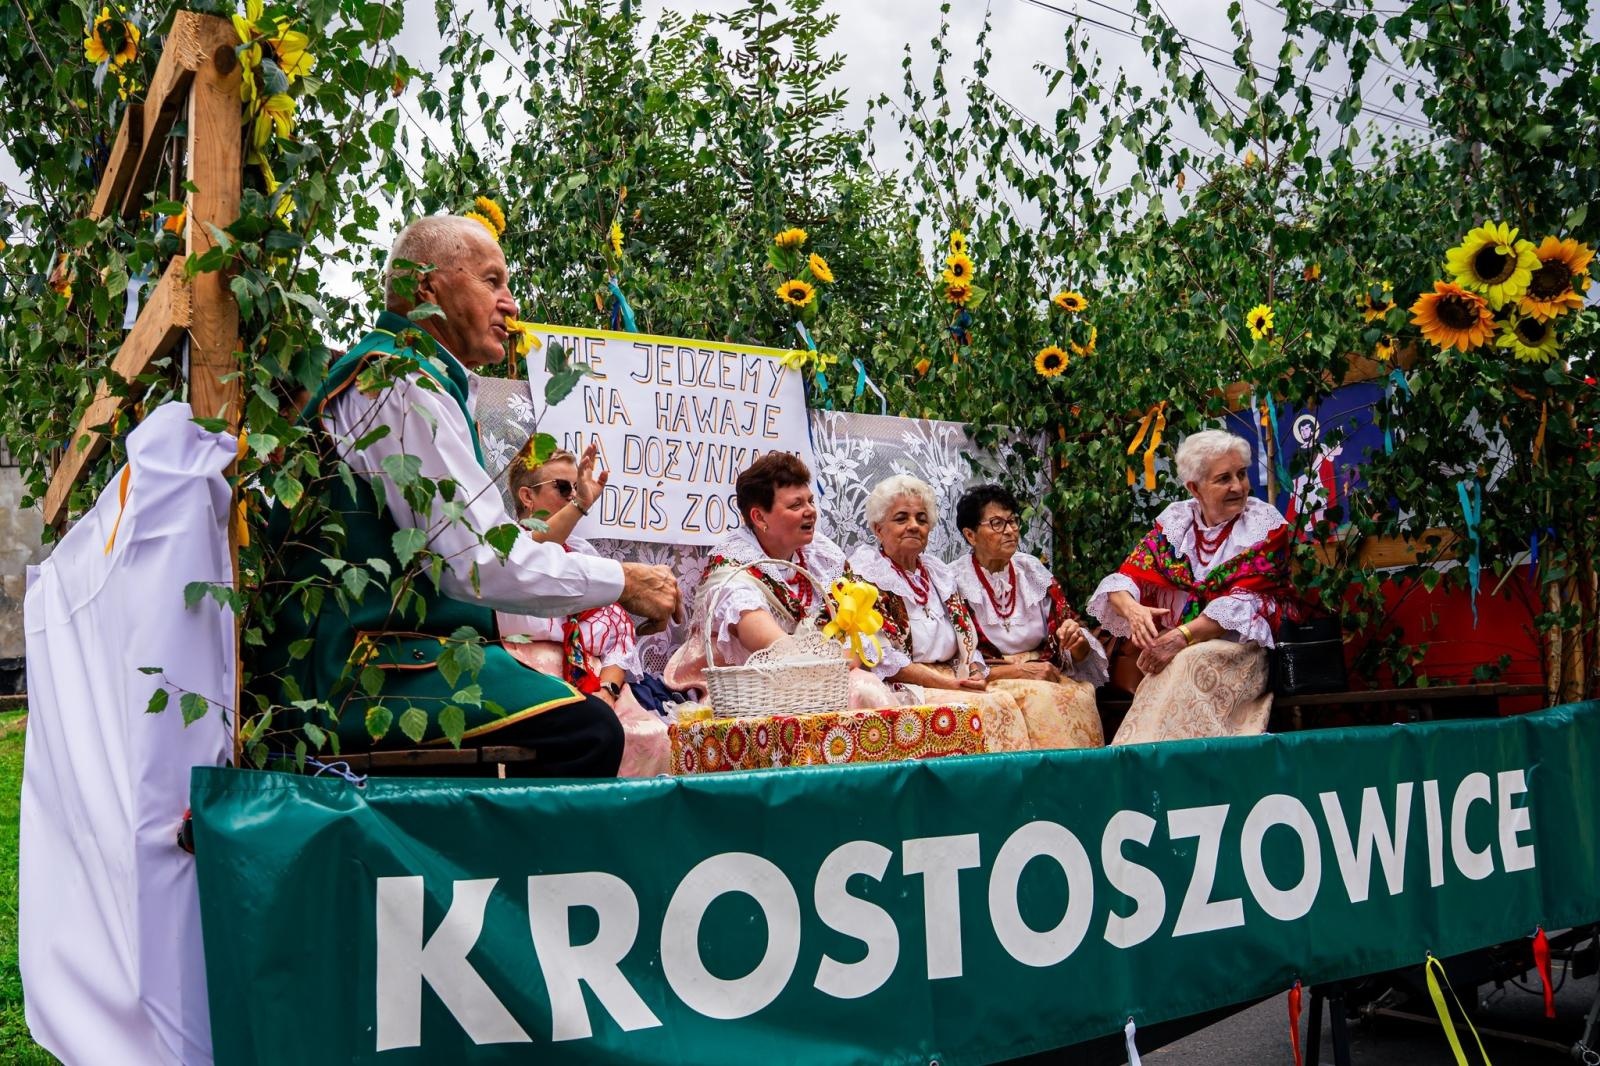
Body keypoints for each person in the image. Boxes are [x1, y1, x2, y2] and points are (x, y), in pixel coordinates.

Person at [259, 214, 679, 775]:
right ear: (425, 287)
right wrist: (621, 582)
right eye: (491, 281)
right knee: (588, 732)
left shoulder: (414, 379)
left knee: (585, 717)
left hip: (384, 656)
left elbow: (472, 559)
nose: (510, 304)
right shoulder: (397, 383)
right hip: (351, 672)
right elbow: (477, 561)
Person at [1087, 429, 1298, 745]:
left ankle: (1172, 763)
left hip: (1241, 650)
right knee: (1176, 659)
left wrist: (1179, 637)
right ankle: (1143, 759)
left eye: (1241, 474)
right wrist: (1133, 610)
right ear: (1194, 488)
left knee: (1185, 659)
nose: (1238, 486)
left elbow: (1244, 602)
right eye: (1223, 478)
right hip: (1180, 647)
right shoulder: (1177, 521)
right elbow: (1127, 576)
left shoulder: (1264, 525)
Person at [664, 453, 896, 708]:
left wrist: (849, 655)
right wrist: (843, 661)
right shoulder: (733, 573)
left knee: (865, 686)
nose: (810, 512)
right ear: (760, 518)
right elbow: (780, 651)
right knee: (863, 689)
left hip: (824, 679)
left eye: (810, 501)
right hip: (756, 692)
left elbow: (860, 623)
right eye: (796, 506)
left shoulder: (820, 554)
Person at [495, 439, 668, 776]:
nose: (574, 496)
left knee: (654, 735)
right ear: (526, 496)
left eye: (577, 489)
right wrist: (581, 505)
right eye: (564, 488)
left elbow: (618, 640)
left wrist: (607, 690)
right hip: (530, 681)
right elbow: (533, 560)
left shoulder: (584, 555)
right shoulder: (506, 548)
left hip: (597, 683)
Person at [844, 474, 1031, 752]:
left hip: (952, 678)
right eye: (901, 518)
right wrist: (948, 683)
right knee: (982, 708)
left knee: (1003, 701)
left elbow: (967, 641)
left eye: (921, 519)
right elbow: (881, 658)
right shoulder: (863, 575)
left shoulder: (938, 573)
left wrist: (976, 671)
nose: (913, 526)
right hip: (905, 686)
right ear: (877, 528)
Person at [953, 484, 1106, 750]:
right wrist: (1020, 671)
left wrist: (1076, 641)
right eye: (997, 523)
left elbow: (1073, 647)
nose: (1011, 530)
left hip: (1045, 672)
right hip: (993, 679)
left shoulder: (1031, 570)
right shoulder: (954, 580)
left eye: (1012, 521)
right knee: (1041, 699)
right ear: (970, 535)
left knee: (1080, 695)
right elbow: (957, 658)